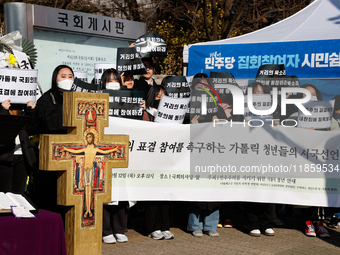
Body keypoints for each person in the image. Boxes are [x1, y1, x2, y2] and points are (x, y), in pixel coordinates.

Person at [142, 81, 174, 240]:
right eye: (157, 95)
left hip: (167, 159)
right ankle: (153, 227)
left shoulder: (173, 115)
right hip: (151, 160)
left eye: (164, 95)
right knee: (153, 196)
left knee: (166, 196)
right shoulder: (146, 113)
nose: (161, 98)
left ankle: (165, 226)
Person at [0, 99, 39, 194]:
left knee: (19, 194)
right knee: (4, 193)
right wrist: (4, 111)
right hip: (4, 156)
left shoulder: (23, 109)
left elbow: (32, 130)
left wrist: (32, 111)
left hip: (22, 156)